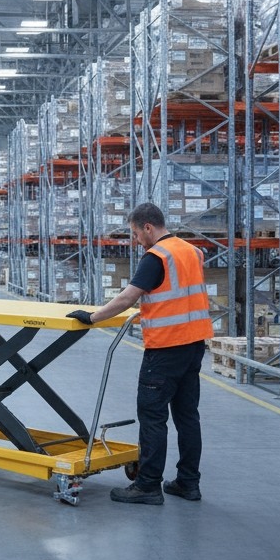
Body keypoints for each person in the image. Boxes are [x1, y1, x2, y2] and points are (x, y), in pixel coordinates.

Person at [66, 202, 214, 505]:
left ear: (149, 227)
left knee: (152, 417)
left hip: (165, 349)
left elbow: (127, 298)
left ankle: (147, 485)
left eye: (136, 234)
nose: (137, 240)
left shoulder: (156, 257)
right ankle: (188, 483)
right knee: (187, 417)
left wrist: (93, 318)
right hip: (194, 345)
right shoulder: (192, 251)